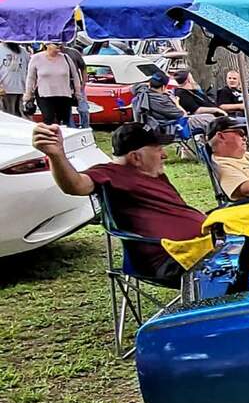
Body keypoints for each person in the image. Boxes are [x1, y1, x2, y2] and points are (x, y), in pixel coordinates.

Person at [32, 120, 201, 283]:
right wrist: (56, 155)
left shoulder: (155, 174)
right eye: (158, 150)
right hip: (170, 260)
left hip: (197, 248)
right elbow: (75, 185)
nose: (164, 155)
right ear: (136, 157)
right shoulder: (110, 174)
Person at [23, 42, 85, 126]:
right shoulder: (36, 58)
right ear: (47, 45)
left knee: (64, 121)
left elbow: (75, 76)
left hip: (64, 95)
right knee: (48, 119)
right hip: (44, 94)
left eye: (60, 43)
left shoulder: (66, 58)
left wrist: (78, 92)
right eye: (56, 43)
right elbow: (31, 78)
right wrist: (28, 94)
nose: (59, 45)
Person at [0, 42, 30, 116]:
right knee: (6, 117)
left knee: (18, 116)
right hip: (4, 92)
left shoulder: (23, 51)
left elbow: (28, 70)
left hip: (20, 91)